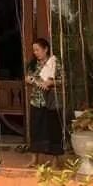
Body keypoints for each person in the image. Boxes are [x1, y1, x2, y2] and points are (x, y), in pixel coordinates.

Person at [24, 38, 63, 167]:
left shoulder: (54, 63)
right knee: (35, 130)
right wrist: (29, 80)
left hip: (50, 102)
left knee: (53, 130)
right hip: (36, 101)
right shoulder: (33, 64)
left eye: (37, 50)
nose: (35, 52)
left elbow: (63, 80)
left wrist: (51, 82)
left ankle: (55, 161)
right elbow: (28, 77)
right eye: (34, 50)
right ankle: (34, 159)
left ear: (45, 49)